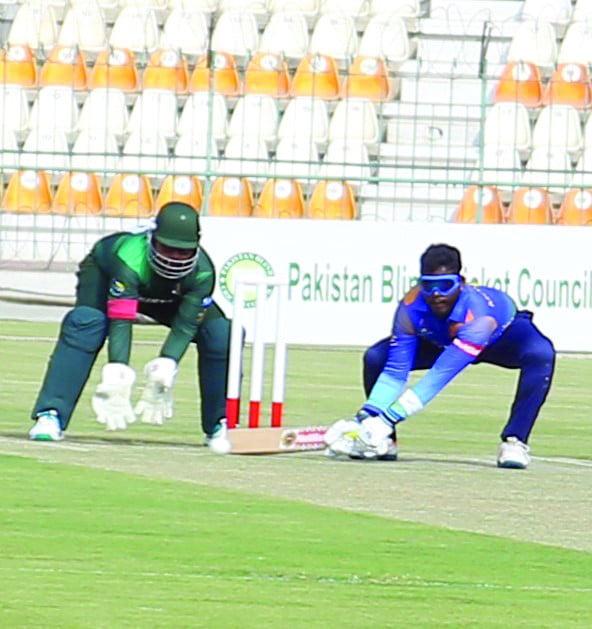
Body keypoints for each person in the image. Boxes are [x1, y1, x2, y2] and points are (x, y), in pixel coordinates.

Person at [324, 243, 555, 469]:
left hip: (502, 337)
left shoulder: (480, 316)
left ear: (461, 283)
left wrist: (386, 419)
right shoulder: (410, 306)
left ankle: (515, 441)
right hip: (441, 340)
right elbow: (395, 371)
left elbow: (439, 376)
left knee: (540, 353)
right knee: (376, 357)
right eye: (428, 285)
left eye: (445, 285)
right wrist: (366, 416)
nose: (436, 294)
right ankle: (384, 441)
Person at [28, 201, 232, 454]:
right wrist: (118, 368)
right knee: (86, 323)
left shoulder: (202, 273)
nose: (174, 258)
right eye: (167, 249)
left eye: (183, 252)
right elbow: (121, 319)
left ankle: (220, 422)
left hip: (169, 296)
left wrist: (167, 363)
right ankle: (51, 414)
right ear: (152, 239)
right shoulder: (129, 259)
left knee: (222, 334)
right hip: (105, 276)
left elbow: (186, 324)